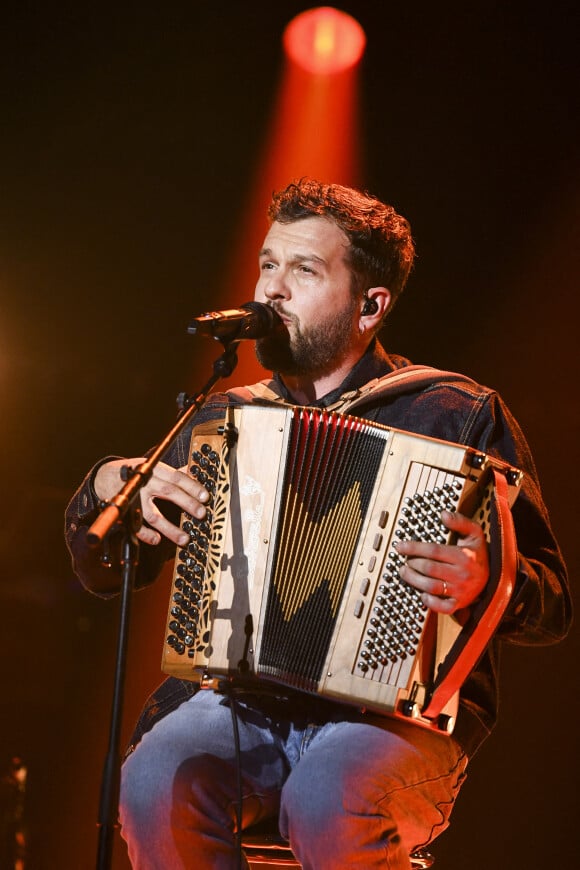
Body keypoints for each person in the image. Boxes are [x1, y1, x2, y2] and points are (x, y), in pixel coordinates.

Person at [65, 179, 571, 869]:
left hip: (396, 721)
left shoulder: (456, 414)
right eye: (268, 264)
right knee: (155, 780)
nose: (271, 289)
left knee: (328, 796)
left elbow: (553, 604)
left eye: (303, 270)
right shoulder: (224, 418)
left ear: (371, 305)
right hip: (242, 702)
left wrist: (490, 580)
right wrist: (106, 485)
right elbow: (105, 574)